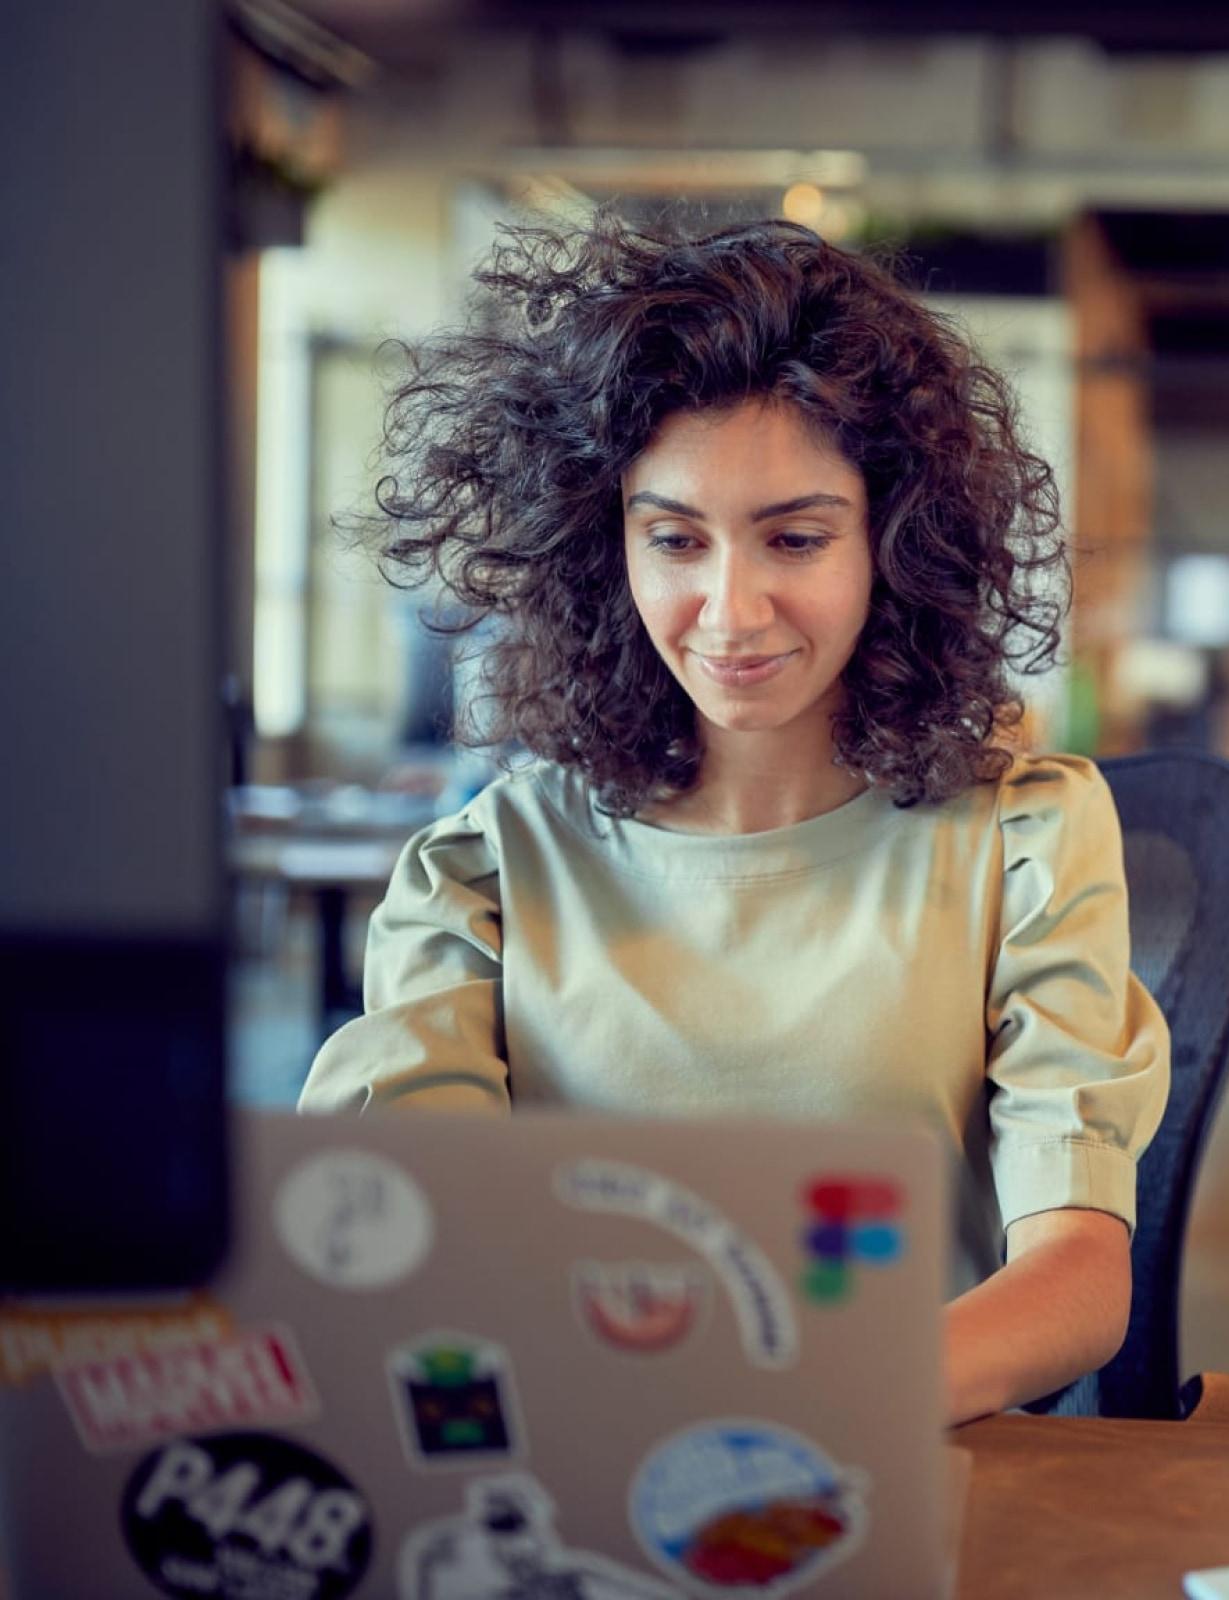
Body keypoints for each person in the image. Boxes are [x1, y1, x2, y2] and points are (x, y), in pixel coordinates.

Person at [299, 213, 1170, 1424]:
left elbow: (1076, 1281)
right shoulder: (491, 862)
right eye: (674, 539)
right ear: (608, 552)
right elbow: (409, 1231)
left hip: (909, 1473)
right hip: (584, 1475)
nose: (729, 607)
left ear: (892, 544)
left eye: (795, 538)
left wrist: (803, 1405)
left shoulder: (1022, 838)